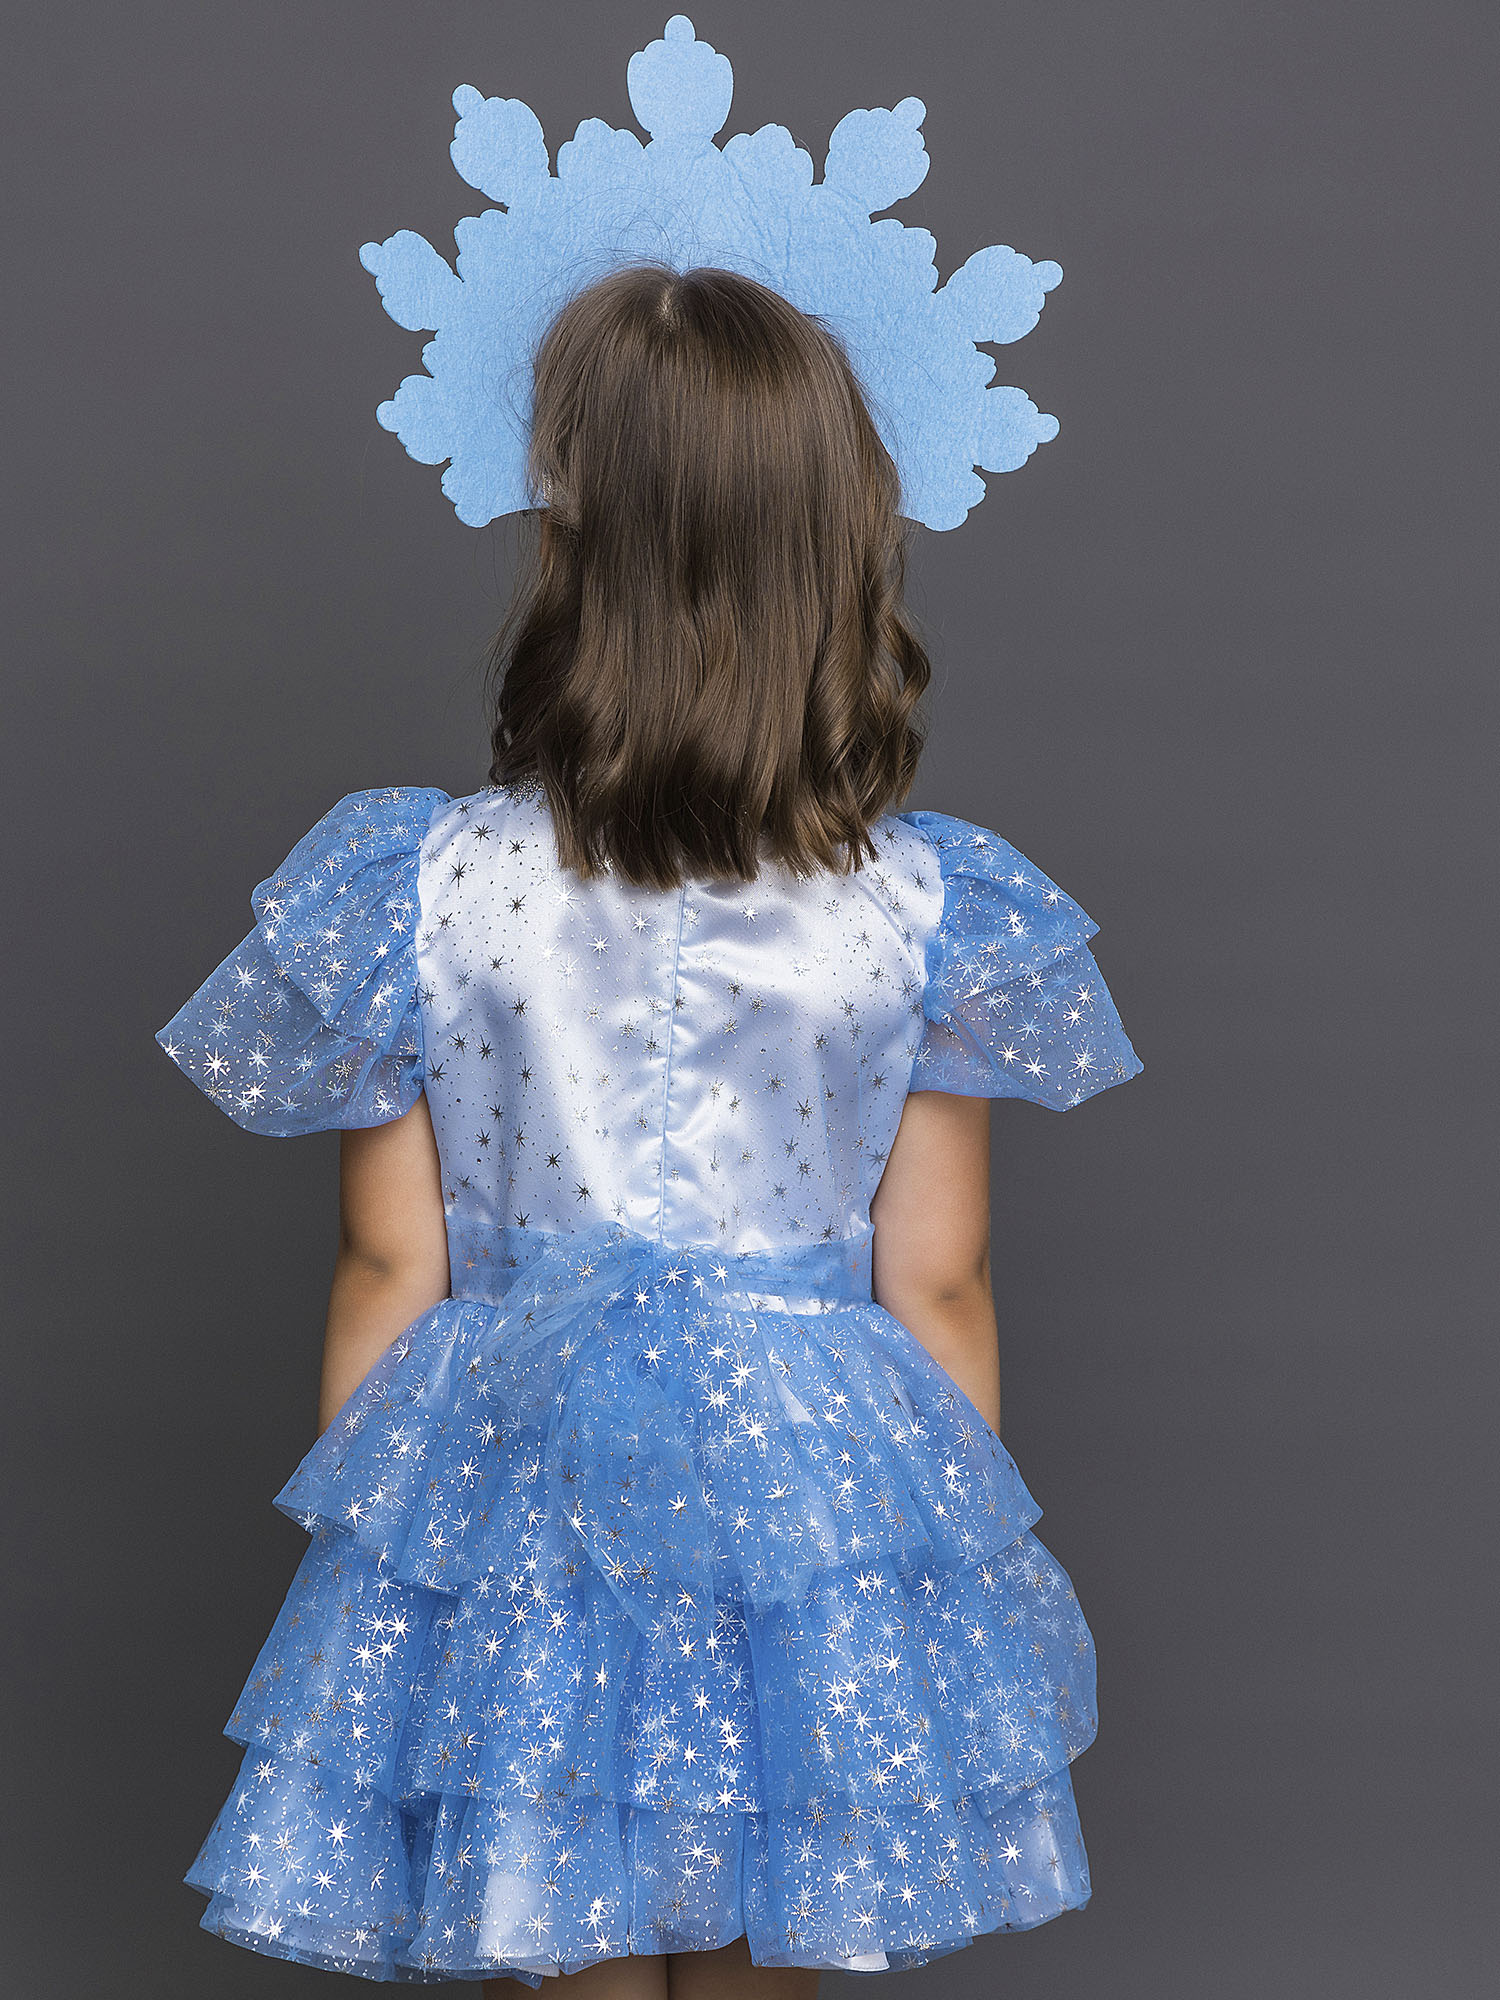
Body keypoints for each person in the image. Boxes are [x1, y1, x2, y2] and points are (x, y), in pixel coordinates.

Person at [156, 263, 1142, 1996]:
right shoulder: (922, 909)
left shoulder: (425, 885)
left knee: (563, 1937)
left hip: (525, 1485)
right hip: (808, 1503)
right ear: (839, 546)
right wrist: (926, 1574)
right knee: (776, 1925)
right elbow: (941, 1281)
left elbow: (390, 1262)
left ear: (569, 540)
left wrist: (388, 1573)